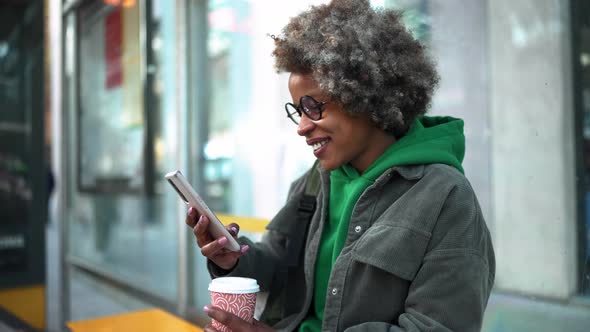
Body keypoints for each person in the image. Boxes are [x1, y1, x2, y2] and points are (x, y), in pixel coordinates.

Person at [186, 0, 495, 331]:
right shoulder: (315, 182)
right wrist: (233, 260)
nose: (302, 126)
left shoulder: (445, 197)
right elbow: (279, 264)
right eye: (297, 111)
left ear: (364, 93)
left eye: (313, 107)